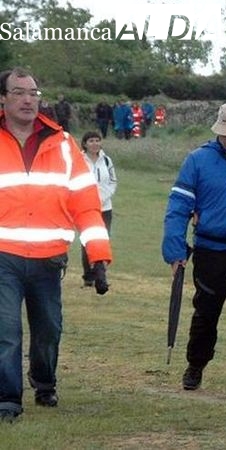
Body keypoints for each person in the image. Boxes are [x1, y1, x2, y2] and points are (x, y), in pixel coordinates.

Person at [0, 68, 112, 423]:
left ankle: (44, 381)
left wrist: (98, 258)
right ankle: (7, 399)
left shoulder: (64, 144)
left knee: (48, 330)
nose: (28, 99)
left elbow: (87, 204)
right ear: (2, 98)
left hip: (50, 258)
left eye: (33, 92)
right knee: (6, 331)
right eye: (18, 92)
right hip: (4, 256)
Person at [161, 102, 226, 393]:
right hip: (209, 249)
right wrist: (175, 250)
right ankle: (196, 364)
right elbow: (179, 206)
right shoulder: (197, 160)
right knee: (206, 312)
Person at [80, 131, 117, 288]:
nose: (94, 143)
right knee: (87, 241)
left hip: (105, 207)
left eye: (97, 140)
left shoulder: (107, 160)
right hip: (86, 207)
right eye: (91, 141)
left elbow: (113, 181)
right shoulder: (79, 160)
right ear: (85, 143)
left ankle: (101, 275)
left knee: (103, 240)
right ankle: (89, 276)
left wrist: (104, 197)